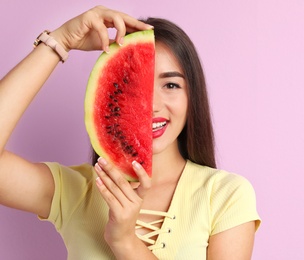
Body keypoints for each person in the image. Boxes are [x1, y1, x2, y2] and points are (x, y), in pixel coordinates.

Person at [0, 5, 260, 260]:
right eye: (134, 85)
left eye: (170, 84)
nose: (152, 104)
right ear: (112, 98)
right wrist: (59, 41)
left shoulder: (226, 194)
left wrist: (125, 241)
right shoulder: (77, 191)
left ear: (193, 96)